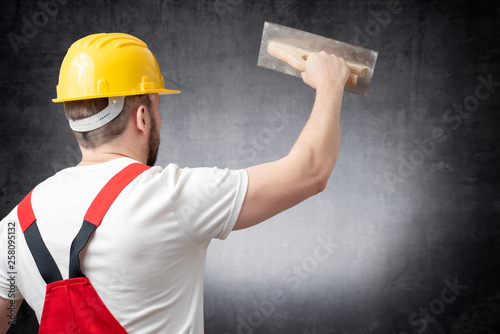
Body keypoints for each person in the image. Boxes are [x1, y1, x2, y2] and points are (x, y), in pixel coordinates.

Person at [0, 32, 349, 333]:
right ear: (142, 118)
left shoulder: (16, 225)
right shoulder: (170, 196)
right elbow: (311, 171)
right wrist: (330, 86)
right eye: (156, 107)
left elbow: (6, 316)